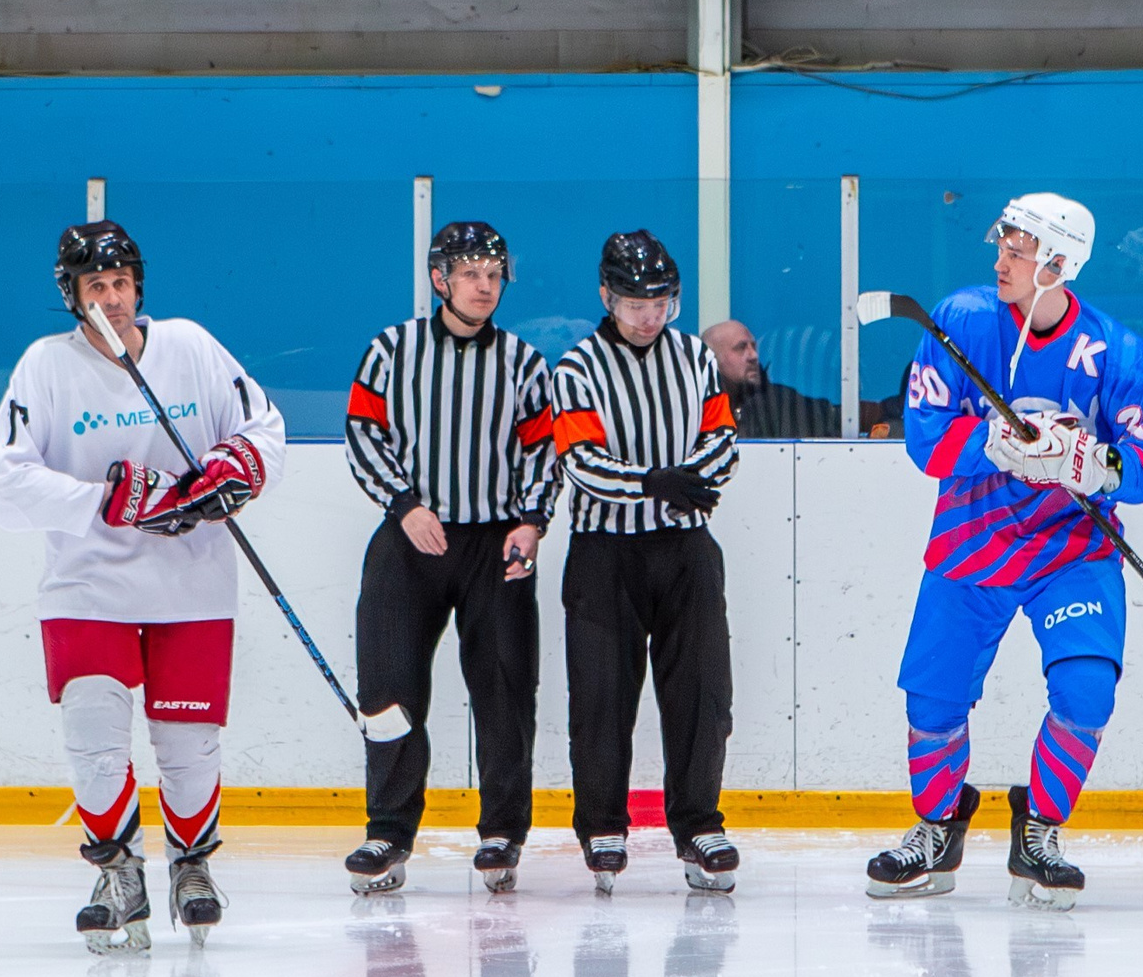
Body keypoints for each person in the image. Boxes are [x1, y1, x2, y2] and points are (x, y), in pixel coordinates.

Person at [862, 192, 1143, 909]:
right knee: (932, 699)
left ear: (1060, 264)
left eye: (1018, 248)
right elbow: (922, 436)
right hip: (971, 540)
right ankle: (937, 828)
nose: (1000, 258)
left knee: (1087, 688)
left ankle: (1039, 828)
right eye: (1002, 244)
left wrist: (1096, 467)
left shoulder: (1119, 354)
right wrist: (990, 444)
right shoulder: (964, 321)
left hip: (1070, 548)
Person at [0, 221, 286, 951]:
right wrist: (102, 502)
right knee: (93, 738)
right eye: (95, 289)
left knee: (188, 749)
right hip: (87, 588)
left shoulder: (190, 347)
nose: (111, 300)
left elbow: (263, 426)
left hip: (194, 588)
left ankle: (192, 869)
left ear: (137, 288)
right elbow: (0, 478)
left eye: (120, 286)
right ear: (72, 298)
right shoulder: (45, 367)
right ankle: (116, 872)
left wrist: (234, 469)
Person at [340, 221, 560, 897]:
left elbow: (542, 449)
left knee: (504, 688)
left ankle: (502, 831)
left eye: (493, 274)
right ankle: (389, 830)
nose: (484, 285)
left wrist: (531, 522)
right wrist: (404, 503)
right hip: (411, 539)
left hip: (494, 545)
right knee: (389, 685)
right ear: (440, 280)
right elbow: (363, 430)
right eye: (470, 273)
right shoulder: (392, 350)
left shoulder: (523, 361)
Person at [550, 230, 742, 894]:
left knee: (701, 693)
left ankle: (698, 824)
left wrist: (687, 478)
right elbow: (579, 461)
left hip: (686, 551)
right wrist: (655, 482)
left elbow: (723, 440)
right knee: (602, 695)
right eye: (634, 301)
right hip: (606, 553)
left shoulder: (695, 357)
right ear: (606, 297)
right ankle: (603, 825)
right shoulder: (575, 368)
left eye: (660, 300)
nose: (648, 314)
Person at [702, 319, 839, 439]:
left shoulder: (783, 403)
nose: (753, 355)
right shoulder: (695, 409)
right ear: (712, 359)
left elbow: (833, 417)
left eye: (753, 347)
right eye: (741, 348)